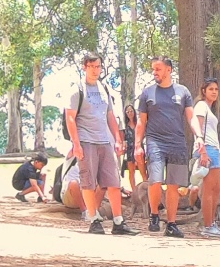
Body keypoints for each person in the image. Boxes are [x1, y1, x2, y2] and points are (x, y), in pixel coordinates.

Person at [64, 51, 130, 236]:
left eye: (98, 66)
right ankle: (93, 219)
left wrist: (118, 138)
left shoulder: (104, 89)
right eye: (91, 66)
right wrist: (76, 144)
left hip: (104, 141)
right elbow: (70, 118)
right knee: (88, 182)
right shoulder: (77, 90)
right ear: (84, 67)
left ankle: (118, 222)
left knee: (113, 181)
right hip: (86, 141)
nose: (95, 70)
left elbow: (110, 114)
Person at [135, 56, 196, 238]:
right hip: (155, 141)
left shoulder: (182, 92)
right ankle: (154, 215)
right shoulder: (147, 93)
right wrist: (138, 145)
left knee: (173, 185)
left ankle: (171, 223)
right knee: (155, 179)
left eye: (158, 69)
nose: (155, 72)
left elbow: (191, 117)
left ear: (169, 70)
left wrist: (199, 137)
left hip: (177, 142)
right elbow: (141, 121)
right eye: (153, 69)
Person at [192, 78, 220, 238]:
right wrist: (203, 150)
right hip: (206, 148)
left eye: (216, 89)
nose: (214, 92)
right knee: (209, 189)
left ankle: (212, 223)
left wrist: (218, 153)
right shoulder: (201, 106)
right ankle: (208, 225)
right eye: (211, 89)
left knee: (217, 188)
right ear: (204, 91)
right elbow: (197, 126)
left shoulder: (211, 109)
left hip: (214, 149)